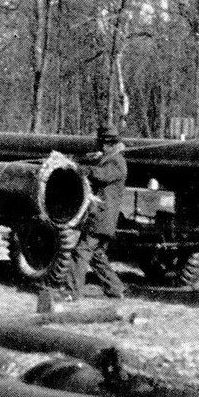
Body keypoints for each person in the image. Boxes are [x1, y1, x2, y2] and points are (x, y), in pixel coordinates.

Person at [65, 123, 128, 301]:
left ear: (109, 144)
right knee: (96, 255)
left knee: (80, 251)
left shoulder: (117, 162)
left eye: (102, 144)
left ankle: (72, 292)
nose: (99, 147)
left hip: (101, 217)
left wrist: (83, 169)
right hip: (103, 218)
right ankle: (115, 288)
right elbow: (99, 168)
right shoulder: (110, 159)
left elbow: (101, 175)